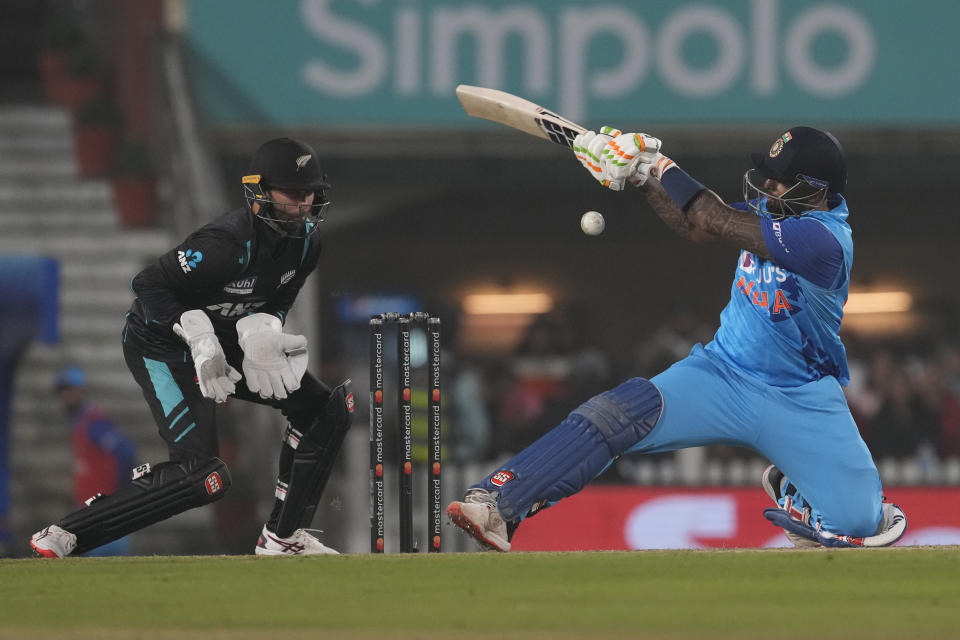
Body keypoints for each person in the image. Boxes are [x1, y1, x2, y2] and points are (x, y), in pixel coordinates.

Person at [447, 125, 907, 550]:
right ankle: (495, 505)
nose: (767, 187)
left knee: (860, 524)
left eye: (779, 181)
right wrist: (636, 177)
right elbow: (692, 225)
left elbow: (713, 219)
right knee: (615, 415)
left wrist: (656, 164)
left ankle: (797, 487)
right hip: (724, 374)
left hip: (802, 396)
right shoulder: (773, 211)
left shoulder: (825, 241)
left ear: (815, 191)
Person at [31, 137, 354, 558]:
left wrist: (264, 330)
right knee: (202, 475)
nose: (304, 205)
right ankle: (68, 533)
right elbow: (147, 284)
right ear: (260, 192)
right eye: (293, 195)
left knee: (326, 410)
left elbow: (279, 297)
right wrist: (194, 331)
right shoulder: (226, 243)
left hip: (223, 343)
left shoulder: (309, 244)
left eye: (311, 194)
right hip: (159, 345)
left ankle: (283, 536)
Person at [54, 366, 136, 556]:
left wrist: (117, 494)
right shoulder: (80, 422)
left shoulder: (93, 422)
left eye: (68, 390)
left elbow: (125, 452)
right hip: (89, 510)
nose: (64, 397)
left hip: (102, 513)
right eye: (61, 392)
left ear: (81, 391)